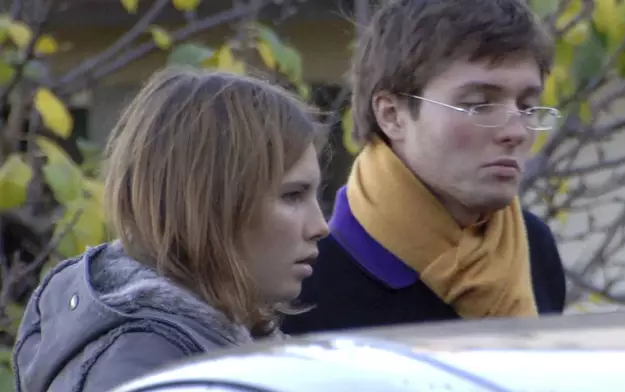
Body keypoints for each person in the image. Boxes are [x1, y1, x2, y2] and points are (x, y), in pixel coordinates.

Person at [13, 68, 329, 392]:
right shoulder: (148, 369)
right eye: (292, 196)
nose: (320, 227)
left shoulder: (191, 347)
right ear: (212, 203)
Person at [281, 0, 566, 335]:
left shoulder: (532, 245)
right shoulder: (304, 279)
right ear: (392, 115)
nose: (516, 131)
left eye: (528, 107)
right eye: (479, 105)